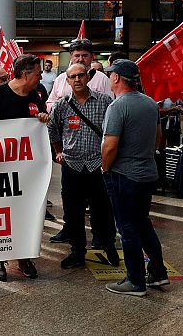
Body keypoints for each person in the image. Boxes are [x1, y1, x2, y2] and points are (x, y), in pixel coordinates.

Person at [0, 54, 49, 282]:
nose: (40, 77)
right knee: (0, 211)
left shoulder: (36, 94)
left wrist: (43, 117)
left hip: (27, 170)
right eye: (37, 73)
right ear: (25, 74)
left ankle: (24, 257)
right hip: (1, 167)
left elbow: (39, 122)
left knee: (26, 212)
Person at [101, 59, 167, 296]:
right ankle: (158, 273)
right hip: (147, 174)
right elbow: (160, 139)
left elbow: (110, 146)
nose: (109, 79)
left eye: (110, 75)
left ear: (117, 78)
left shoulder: (117, 107)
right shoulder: (150, 104)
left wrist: (105, 169)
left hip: (124, 175)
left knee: (127, 227)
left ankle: (135, 280)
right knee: (142, 222)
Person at [47, 63, 119, 270]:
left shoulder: (105, 102)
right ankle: (77, 251)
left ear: (88, 77)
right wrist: (58, 151)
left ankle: (108, 245)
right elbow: (53, 129)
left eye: (81, 75)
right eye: (73, 77)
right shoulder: (62, 105)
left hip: (99, 165)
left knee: (103, 210)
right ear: (67, 81)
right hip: (72, 166)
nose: (77, 80)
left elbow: (113, 131)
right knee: (73, 211)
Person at [47, 39, 112, 112]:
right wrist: (62, 107)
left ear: (91, 57)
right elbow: (49, 103)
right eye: (77, 56)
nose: (81, 59)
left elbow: (110, 106)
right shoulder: (61, 78)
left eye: (85, 56)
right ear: (71, 57)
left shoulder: (103, 79)